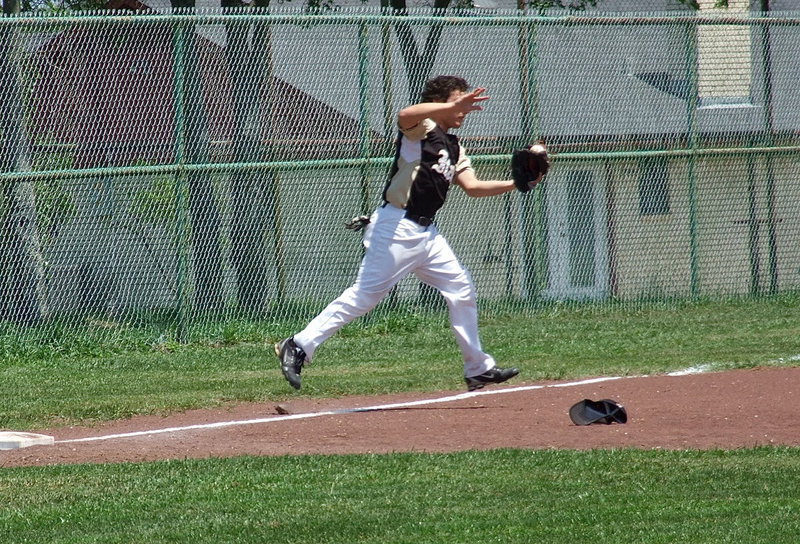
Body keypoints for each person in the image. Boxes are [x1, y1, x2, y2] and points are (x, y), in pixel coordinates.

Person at [275, 75, 544, 391]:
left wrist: (517, 184)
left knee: (461, 289)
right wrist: (450, 106)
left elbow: (472, 187)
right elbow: (404, 115)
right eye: (458, 102)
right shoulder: (422, 130)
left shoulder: (454, 147)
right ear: (439, 103)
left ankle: (477, 368)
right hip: (397, 226)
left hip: (427, 234)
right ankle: (298, 344)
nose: (464, 109)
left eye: (465, 103)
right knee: (365, 296)